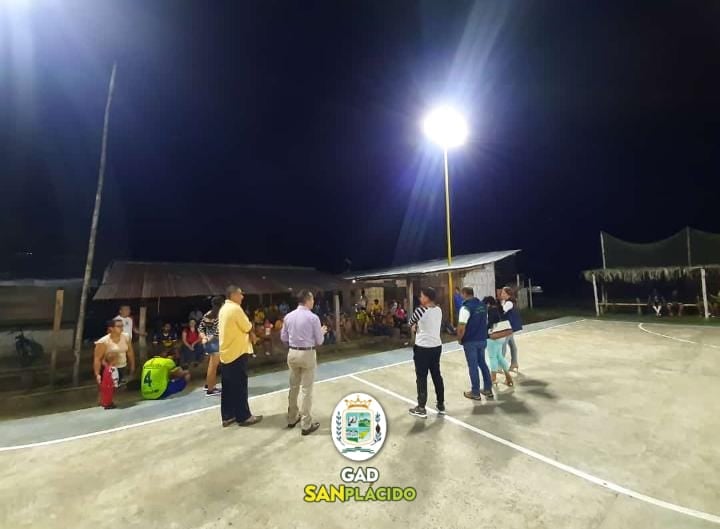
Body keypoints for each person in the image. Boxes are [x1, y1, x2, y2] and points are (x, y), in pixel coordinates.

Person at [281, 290, 327, 435]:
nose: (313, 302)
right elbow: (319, 341)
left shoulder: (288, 316)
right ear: (308, 300)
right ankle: (306, 424)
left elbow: (283, 337)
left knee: (293, 387)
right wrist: (321, 332)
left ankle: (292, 418)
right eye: (312, 299)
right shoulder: (313, 318)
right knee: (307, 390)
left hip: (292, 352)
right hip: (307, 353)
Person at [218, 286, 262, 427]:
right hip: (237, 353)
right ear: (233, 295)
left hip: (226, 353)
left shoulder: (223, 309)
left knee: (228, 387)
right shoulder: (235, 309)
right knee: (240, 386)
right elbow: (247, 326)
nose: (242, 296)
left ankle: (228, 416)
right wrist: (252, 333)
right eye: (240, 294)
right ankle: (244, 417)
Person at [408, 287, 445, 418]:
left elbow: (410, 323)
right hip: (436, 346)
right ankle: (441, 404)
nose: (420, 298)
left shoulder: (420, 310)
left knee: (421, 377)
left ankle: (421, 407)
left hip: (423, 347)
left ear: (427, 298)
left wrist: (415, 326)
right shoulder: (438, 310)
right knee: (436, 375)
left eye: (422, 296)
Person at [456, 287, 494, 401]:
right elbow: (486, 321)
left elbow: (461, 327)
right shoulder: (482, 305)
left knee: (473, 366)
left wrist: (459, 338)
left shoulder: (465, 308)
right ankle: (488, 389)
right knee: (482, 364)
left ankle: (475, 392)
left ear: (464, 294)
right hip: (482, 339)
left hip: (470, 341)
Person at [93, 319, 136, 385]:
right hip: (108, 369)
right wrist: (97, 374)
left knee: (121, 386)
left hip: (123, 367)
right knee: (109, 387)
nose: (121, 328)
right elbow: (97, 359)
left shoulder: (126, 337)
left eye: (122, 326)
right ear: (111, 328)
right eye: (118, 326)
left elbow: (130, 352)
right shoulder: (103, 342)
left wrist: (132, 366)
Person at [485, 297, 515, 387]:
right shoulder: (500, 309)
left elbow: (490, 324)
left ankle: (493, 378)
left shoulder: (491, 311)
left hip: (493, 337)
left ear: (488, 304)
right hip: (501, 336)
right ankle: (508, 377)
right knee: (500, 357)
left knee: (492, 357)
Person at [199, 296, 223, 397]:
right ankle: (210, 390)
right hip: (215, 343)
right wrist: (209, 338)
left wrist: (204, 338)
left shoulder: (207, 314)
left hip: (208, 343)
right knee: (213, 367)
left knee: (211, 366)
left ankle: (208, 385)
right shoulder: (219, 315)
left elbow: (201, 328)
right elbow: (217, 332)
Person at [500, 286, 523, 371]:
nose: (501, 294)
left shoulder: (509, 303)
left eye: (503, 293)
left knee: (503, 345)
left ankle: (500, 366)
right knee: (512, 344)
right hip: (510, 326)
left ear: (508, 294)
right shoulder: (507, 302)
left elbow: (502, 311)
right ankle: (514, 363)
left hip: (509, 327)